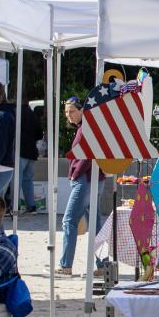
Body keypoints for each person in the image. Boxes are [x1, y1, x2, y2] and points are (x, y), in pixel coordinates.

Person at [56, 98, 102, 277]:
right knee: (96, 225)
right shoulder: (87, 126)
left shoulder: (87, 127)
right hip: (93, 179)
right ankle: (103, 264)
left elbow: (87, 155)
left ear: (82, 110)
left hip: (85, 179)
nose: (68, 116)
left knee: (69, 221)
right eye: (66, 112)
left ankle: (66, 265)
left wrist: (75, 173)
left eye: (72, 111)